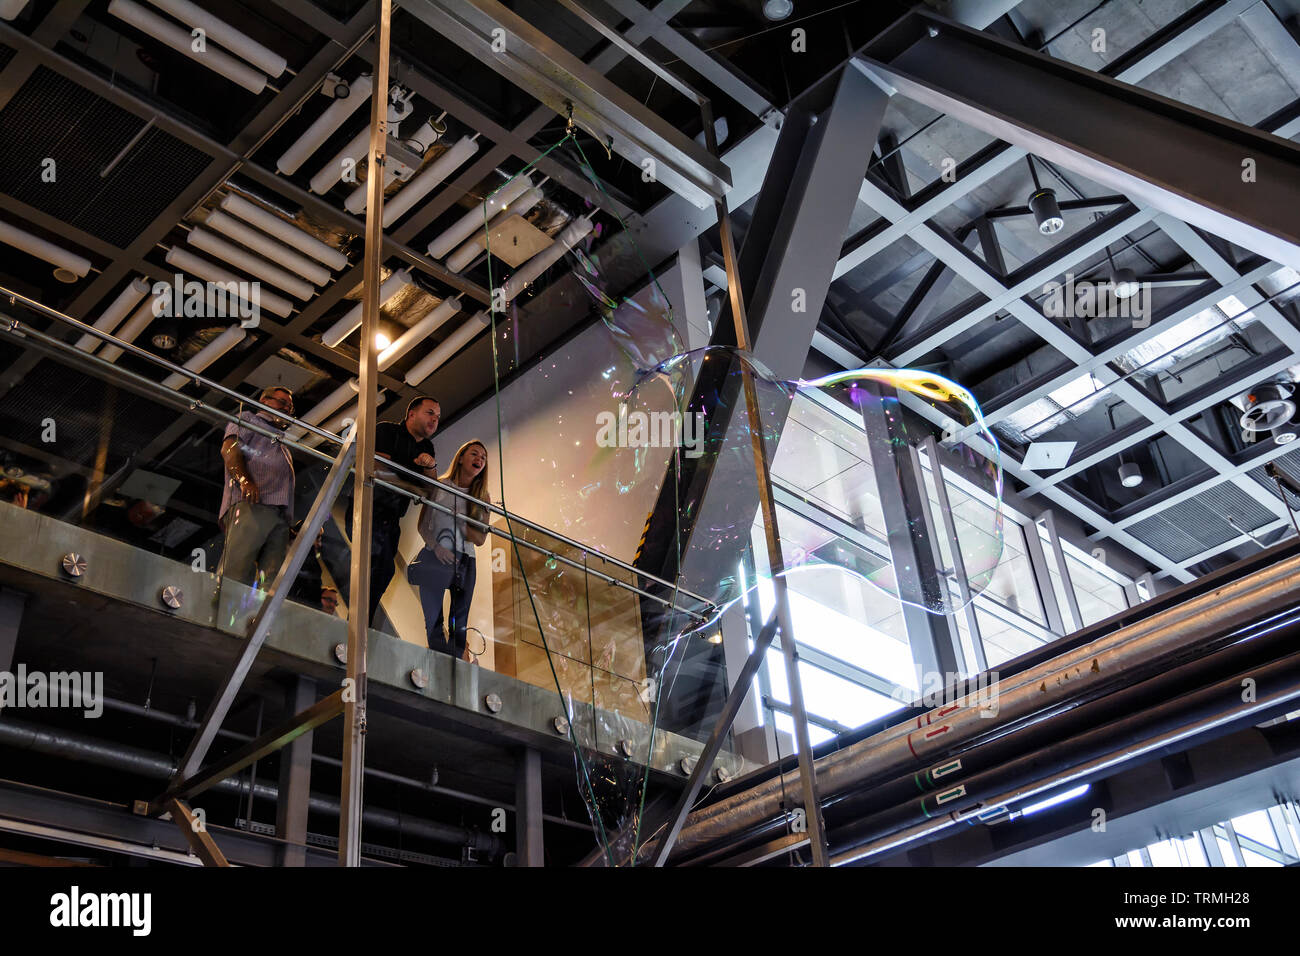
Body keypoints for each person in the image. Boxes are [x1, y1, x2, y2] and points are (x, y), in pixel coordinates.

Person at [346, 395, 441, 627]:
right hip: (369, 508)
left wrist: (430, 467)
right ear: (411, 414)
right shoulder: (387, 431)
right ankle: (355, 626)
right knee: (372, 565)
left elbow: (431, 489)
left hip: (392, 517)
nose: (434, 420)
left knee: (384, 571)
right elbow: (376, 470)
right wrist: (411, 487)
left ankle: (360, 625)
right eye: (430, 413)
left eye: (438, 417)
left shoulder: (427, 447)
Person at [410, 440, 489, 659]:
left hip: (465, 561)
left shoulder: (482, 496)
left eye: (483, 458)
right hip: (436, 554)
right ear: (461, 457)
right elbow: (423, 525)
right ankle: (437, 662)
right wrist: (437, 548)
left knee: (459, 621)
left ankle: (454, 665)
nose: (479, 460)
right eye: (474, 454)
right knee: (433, 618)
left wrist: (461, 521)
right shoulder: (440, 485)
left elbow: (480, 539)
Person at [218, 386, 296, 588]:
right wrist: (245, 480)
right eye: (282, 402)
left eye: (290, 405)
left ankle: (257, 618)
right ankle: (217, 612)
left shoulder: (281, 442)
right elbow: (230, 448)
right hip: (253, 503)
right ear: (264, 401)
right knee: (236, 568)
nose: (287, 408)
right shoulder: (249, 418)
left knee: (271, 581)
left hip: (278, 514)